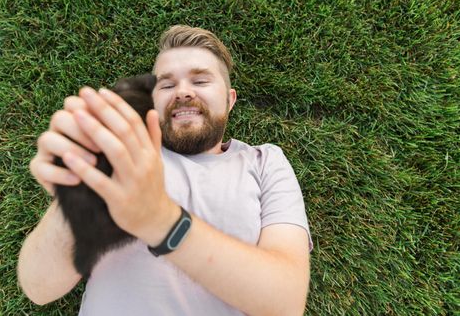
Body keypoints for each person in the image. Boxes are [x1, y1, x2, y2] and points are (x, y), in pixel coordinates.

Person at [17, 25, 313, 315]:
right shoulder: (121, 157)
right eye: (167, 85)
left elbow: (285, 304)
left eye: (200, 81)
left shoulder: (265, 162)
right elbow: (38, 288)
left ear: (229, 99)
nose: (183, 92)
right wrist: (75, 195)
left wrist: (160, 221)